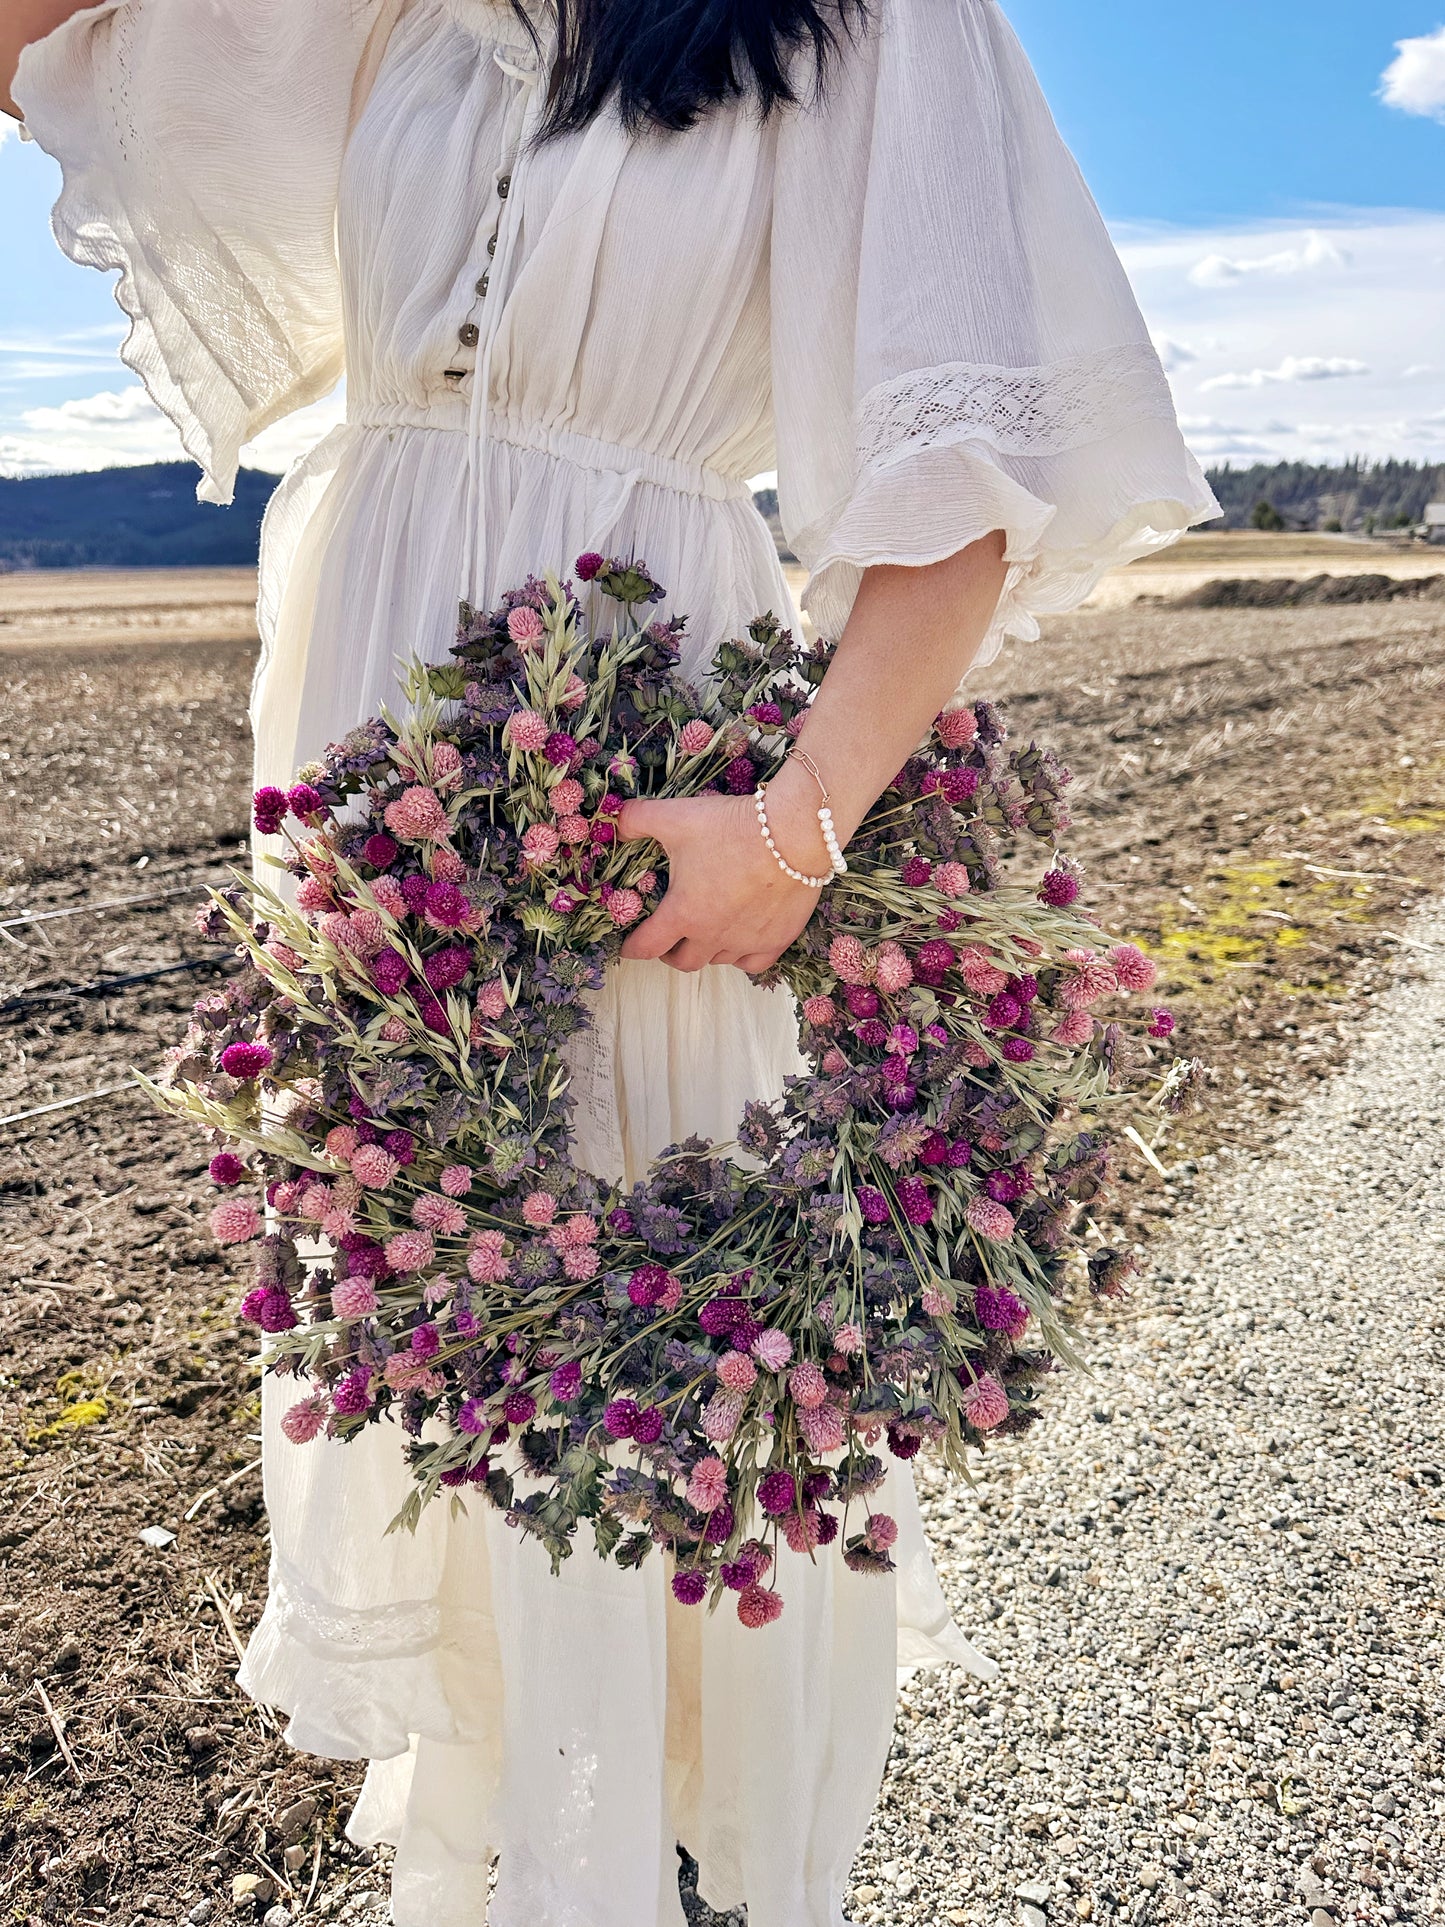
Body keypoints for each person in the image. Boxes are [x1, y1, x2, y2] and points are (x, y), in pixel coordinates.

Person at [4, 2, 1216, 1921]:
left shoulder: (867, 20)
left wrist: (795, 830)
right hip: (370, 727)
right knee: (430, 1298)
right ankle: (515, 1845)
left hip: (630, 729)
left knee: (642, 1308)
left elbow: (970, 470)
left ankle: (678, 1862)